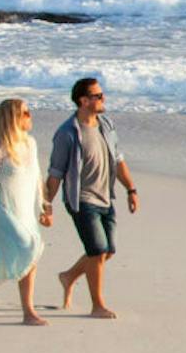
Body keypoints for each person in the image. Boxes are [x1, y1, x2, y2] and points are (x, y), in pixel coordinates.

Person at [42, 75, 138, 318]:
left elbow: (119, 159)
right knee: (96, 251)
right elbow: (55, 173)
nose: (103, 99)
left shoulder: (106, 124)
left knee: (108, 251)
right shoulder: (67, 133)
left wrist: (131, 189)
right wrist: (46, 204)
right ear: (83, 101)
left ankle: (69, 276)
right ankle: (97, 305)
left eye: (102, 94)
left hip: (106, 196)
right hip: (81, 199)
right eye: (98, 96)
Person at [0, 96, 52, 325]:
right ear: (13, 118)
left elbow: (36, 178)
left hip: (26, 212)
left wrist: (45, 207)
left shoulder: (30, 144)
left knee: (15, 259)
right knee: (29, 249)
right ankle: (28, 312)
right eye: (25, 112)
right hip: (3, 211)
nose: (30, 116)